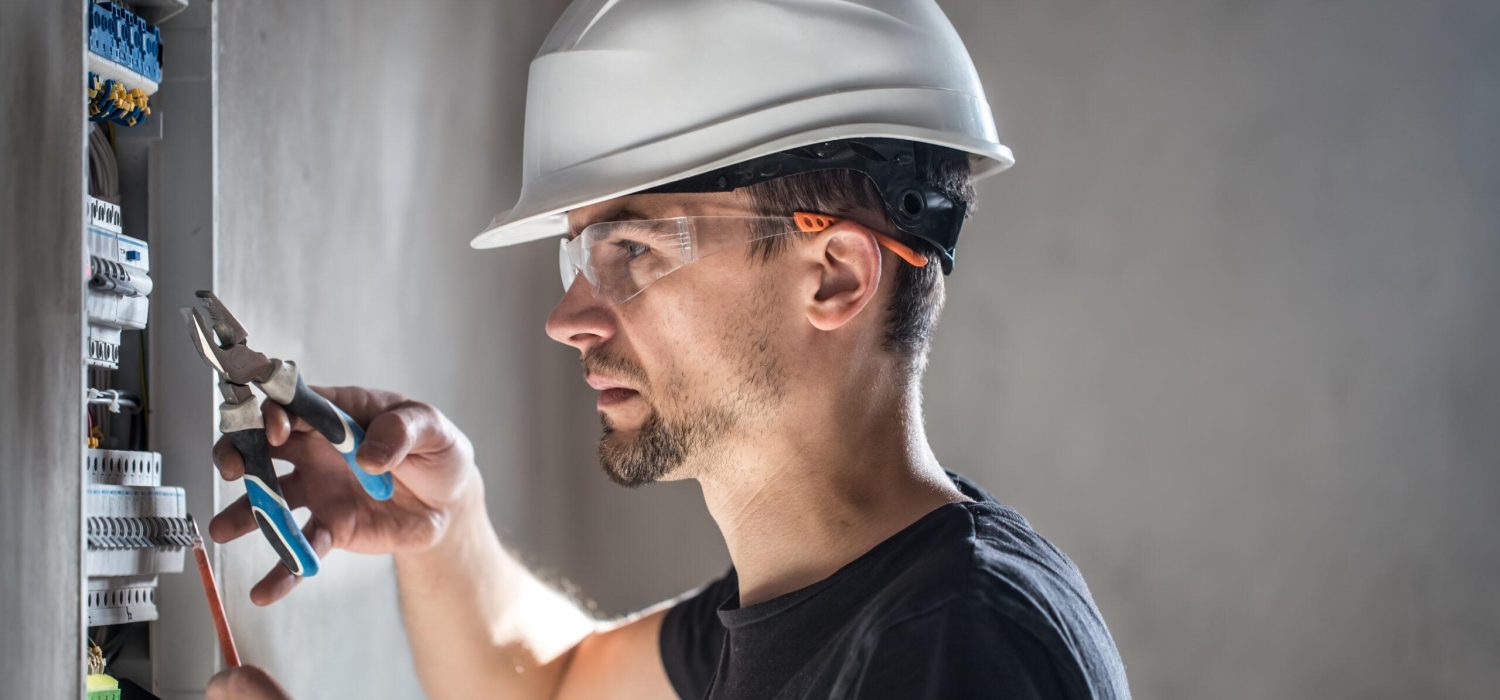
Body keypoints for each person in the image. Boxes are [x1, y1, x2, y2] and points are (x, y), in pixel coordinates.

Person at [206, 1, 1130, 698]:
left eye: (634, 250)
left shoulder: (955, 649)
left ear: (836, 277)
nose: (568, 317)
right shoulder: (820, 596)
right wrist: (446, 526)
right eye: (581, 255)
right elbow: (557, 684)